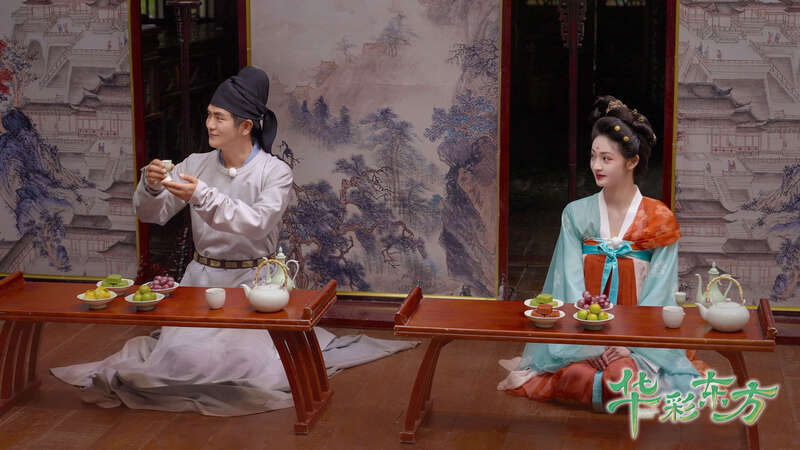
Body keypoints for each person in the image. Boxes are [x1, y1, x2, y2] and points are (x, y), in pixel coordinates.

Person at [51, 67, 416, 415]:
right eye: (208, 115)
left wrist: (202, 196)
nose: (209, 124)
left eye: (219, 117)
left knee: (244, 365)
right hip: (200, 282)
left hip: (254, 286)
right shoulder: (195, 164)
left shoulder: (275, 172)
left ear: (245, 126)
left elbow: (256, 224)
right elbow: (152, 214)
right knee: (180, 361)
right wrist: (151, 185)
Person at [498, 95, 710, 412]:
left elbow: (659, 293)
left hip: (637, 342)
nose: (596, 166)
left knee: (621, 377)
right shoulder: (576, 214)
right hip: (582, 334)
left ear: (632, 162)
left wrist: (626, 344)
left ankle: (623, 370)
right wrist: (588, 343)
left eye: (606, 158)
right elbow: (568, 283)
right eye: (593, 156)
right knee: (576, 375)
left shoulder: (659, 219)